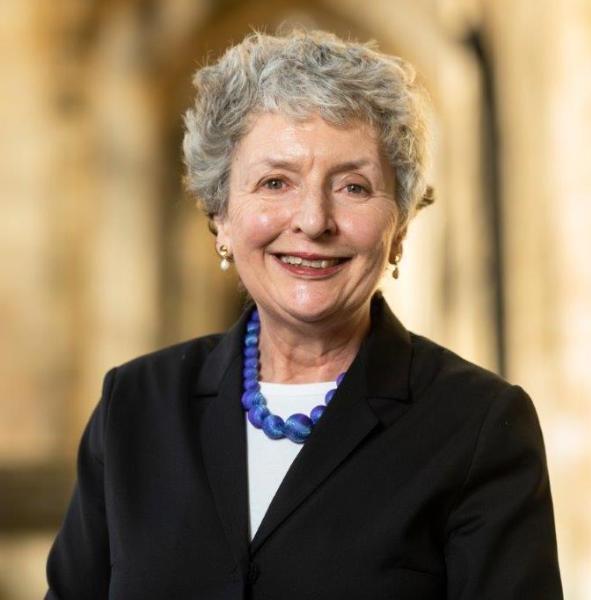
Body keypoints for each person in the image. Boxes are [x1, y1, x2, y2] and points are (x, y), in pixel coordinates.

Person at [45, 29, 563, 599]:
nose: (314, 220)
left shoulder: (479, 425)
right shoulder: (133, 407)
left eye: (354, 187)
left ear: (399, 227)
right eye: (276, 182)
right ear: (221, 215)